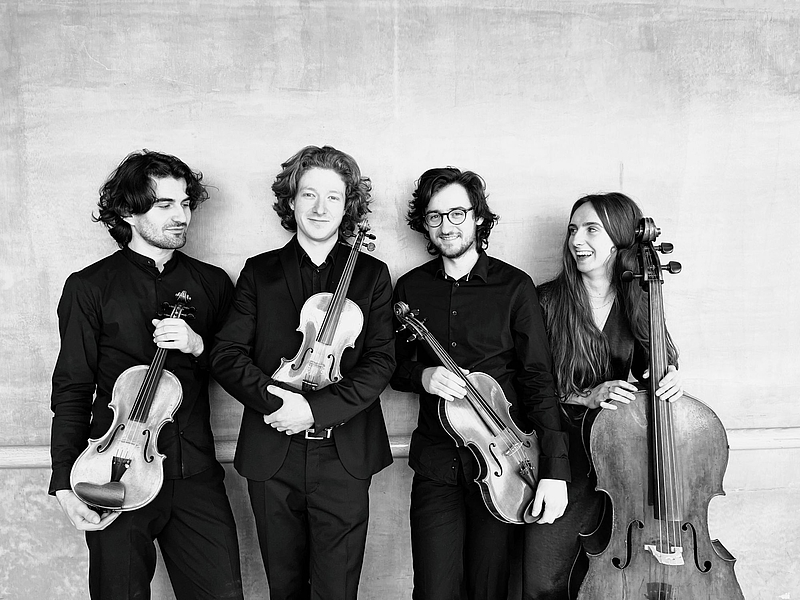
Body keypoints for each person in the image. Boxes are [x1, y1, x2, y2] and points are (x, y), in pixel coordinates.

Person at [49, 150, 244, 599]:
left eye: (185, 203)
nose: (181, 216)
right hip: (112, 475)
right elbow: (72, 388)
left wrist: (199, 346)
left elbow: (237, 371)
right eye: (164, 205)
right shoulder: (88, 287)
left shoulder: (213, 283)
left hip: (194, 473)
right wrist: (64, 483)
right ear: (127, 212)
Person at [210, 145, 394, 600]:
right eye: (309, 194)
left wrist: (314, 411)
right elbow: (226, 355)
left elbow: (380, 363)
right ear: (291, 201)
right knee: (285, 588)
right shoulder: (259, 273)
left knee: (337, 590)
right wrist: (281, 404)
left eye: (333, 197)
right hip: (273, 452)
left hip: (344, 455)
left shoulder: (371, 275)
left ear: (347, 206)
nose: (319, 208)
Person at [391, 167, 570, 600]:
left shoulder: (515, 287)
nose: (446, 225)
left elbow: (538, 380)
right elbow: (389, 367)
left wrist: (555, 471)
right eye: (434, 216)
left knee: (489, 589)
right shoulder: (411, 288)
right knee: (433, 592)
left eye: (457, 213)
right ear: (424, 225)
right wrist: (422, 375)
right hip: (437, 464)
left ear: (477, 217)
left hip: (506, 465)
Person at [522, 192, 683, 600]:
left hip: (622, 459)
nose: (577, 240)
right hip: (562, 455)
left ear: (619, 238)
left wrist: (669, 377)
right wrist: (587, 396)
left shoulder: (640, 298)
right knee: (544, 580)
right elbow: (528, 386)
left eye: (591, 229)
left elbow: (655, 368)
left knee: (611, 582)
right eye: (573, 229)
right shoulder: (545, 300)